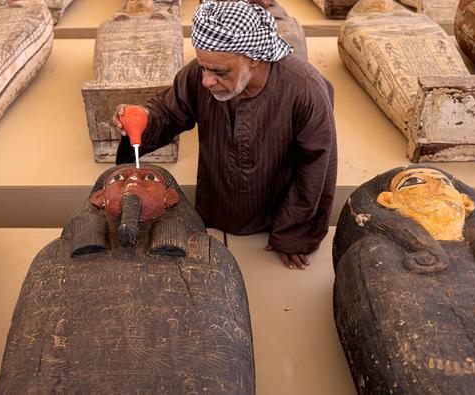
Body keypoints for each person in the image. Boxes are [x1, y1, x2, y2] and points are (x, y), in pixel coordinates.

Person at [113, 0, 337, 270]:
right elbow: (170, 111)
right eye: (203, 68)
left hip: (273, 216)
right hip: (217, 206)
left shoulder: (305, 89)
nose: (206, 81)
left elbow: (316, 168)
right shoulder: (202, 72)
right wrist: (145, 117)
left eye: (219, 72)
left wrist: (292, 234)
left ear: (254, 58)